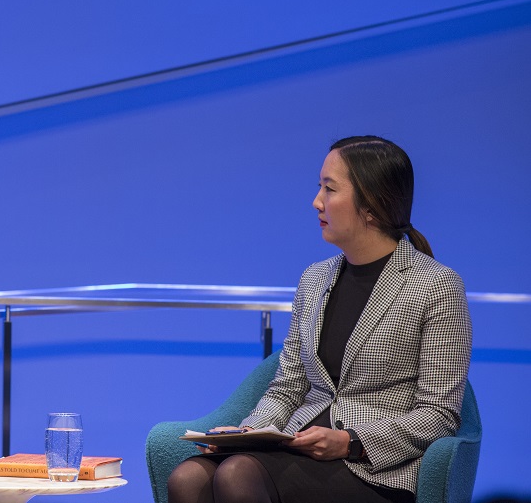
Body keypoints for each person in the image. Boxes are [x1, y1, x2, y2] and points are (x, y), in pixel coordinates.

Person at [166, 136, 472, 503]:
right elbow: (288, 387)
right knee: (188, 477)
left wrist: (352, 441)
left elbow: (439, 414)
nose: (316, 202)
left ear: (371, 205)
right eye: (319, 187)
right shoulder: (315, 279)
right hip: (298, 449)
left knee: (237, 474)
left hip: (375, 469)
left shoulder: (437, 285)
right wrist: (246, 433)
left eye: (330, 189)